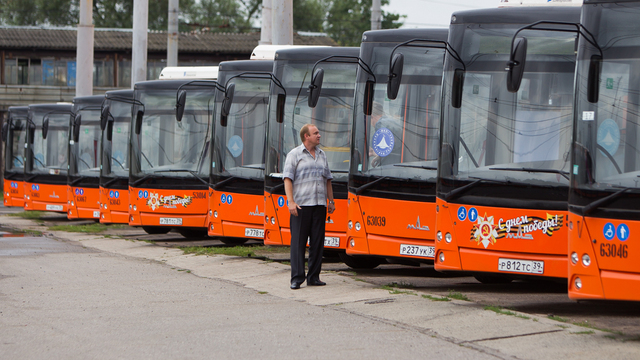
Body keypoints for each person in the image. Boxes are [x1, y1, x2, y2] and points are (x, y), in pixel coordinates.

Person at [283, 124, 335, 290]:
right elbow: (287, 179)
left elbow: (327, 179)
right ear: (306, 136)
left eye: (318, 132)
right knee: (298, 242)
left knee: (317, 243)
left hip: (319, 205)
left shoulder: (322, 155)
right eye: (316, 133)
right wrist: (290, 202)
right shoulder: (294, 155)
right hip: (301, 206)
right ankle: (297, 278)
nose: (319, 135)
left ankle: (314, 276)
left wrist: (331, 201)